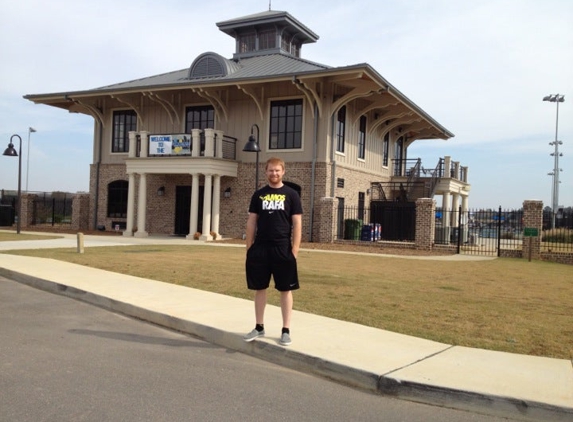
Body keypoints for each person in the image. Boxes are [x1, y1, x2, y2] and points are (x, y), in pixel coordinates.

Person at [243, 157, 302, 346]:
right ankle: (259, 327)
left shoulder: (292, 195)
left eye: (277, 170)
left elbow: (297, 223)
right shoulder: (258, 195)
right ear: (266, 171)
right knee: (260, 288)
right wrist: (249, 247)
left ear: (283, 171)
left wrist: (295, 249)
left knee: (286, 289)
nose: (274, 173)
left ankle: (286, 330)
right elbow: (252, 221)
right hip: (260, 248)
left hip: (282, 248)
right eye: (270, 170)